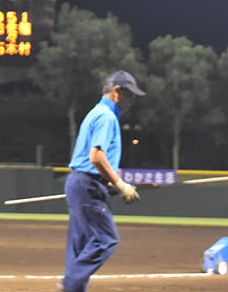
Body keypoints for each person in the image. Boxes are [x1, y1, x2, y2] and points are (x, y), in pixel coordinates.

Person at [59, 70, 145, 292]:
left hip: (80, 182)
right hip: (88, 185)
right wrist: (120, 183)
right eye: (130, 94)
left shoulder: (96, 112)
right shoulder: (107, 117)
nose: (132, 100)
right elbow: (96, 156)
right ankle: (71, 282)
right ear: (117, 92)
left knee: (80, 243)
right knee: (105, 239)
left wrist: (108, 182)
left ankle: (73, 288)